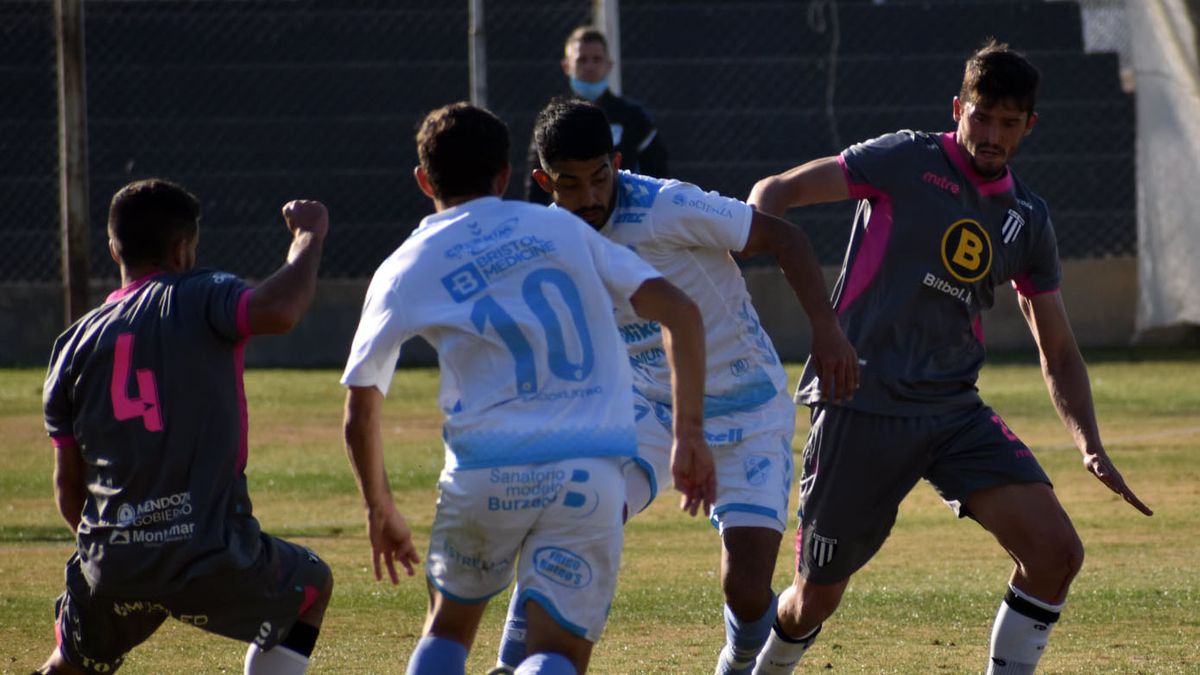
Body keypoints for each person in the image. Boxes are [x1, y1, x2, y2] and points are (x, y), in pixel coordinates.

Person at [747, 40, 1154, 675]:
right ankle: (749, 664)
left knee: (1055, 553)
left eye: (1008, 123)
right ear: (957, 107)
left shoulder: (1026, 219)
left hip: (951, 413)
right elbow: (774, 192)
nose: (992, 134)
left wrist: (1089, 442)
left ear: (1029, 127)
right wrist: (800, 309)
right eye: (981, 116)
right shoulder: (904, 159)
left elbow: (1059, 348)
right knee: (815, 598)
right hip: (861, 402)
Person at [340, 102, 714, 675]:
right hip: (590, 475)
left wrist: (378, 507)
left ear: (423, 180)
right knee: (555, 657)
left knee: (447, 632)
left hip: (484, 472)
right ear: (506, 176)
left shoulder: (404, 265)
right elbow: (682, 313)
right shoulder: (562, 227)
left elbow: (361, 407)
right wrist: (687, 435)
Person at [492, 99, 859, 675]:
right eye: (569, 184)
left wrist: (826, 329)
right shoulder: (551, 236)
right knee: (575, 514)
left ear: (616, 163)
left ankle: (744, 660)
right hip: (648, 408)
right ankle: (514, 664)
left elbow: (785, 238)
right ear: (543, 181)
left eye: (599, 178)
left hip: (749, 409)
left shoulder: (667, 206)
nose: (589, 197)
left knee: (744, 588)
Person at [37, 179, 334, 674]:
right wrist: (309, 237)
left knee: (69, 663)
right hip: (209, 554)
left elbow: (69, 488)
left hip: (113, 558)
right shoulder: (200, 294)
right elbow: (279, 310)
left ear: (113, 249)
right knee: (310, 587)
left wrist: (130, 551)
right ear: (182, 249)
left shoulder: (71, 345)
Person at [525, 26, 668, 205]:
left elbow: (657, 174)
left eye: (597, 59)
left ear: (609, 65)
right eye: (582, 60)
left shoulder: (633, 117)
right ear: (566, 66)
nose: (590, 66)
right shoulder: (552, 121)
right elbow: (536, 185)